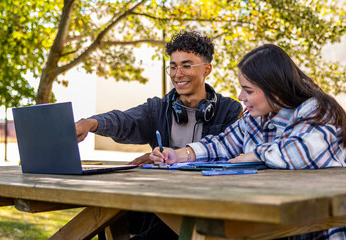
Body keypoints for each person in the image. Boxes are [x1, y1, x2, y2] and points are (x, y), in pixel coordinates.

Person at [151, 43, 346, 239]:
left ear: (275, 90)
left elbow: (298, 153)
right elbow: (223, 143)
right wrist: (180, 154)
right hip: (269, 221)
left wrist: (254, 155)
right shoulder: (256, 117)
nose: (240, 96)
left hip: (315, 229)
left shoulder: (317, 110)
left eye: (248, 91)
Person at [76, 30, 242, 240]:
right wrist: (92, 123)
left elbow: (232, 155)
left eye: (186, 65)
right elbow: (125, 121)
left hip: (205, 207)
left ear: (207, 69)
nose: (177, 74)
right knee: (103, 216)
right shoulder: (158, 108)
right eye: (173, 67)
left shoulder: (229, 110)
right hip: (159, 203)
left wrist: (173, 162)